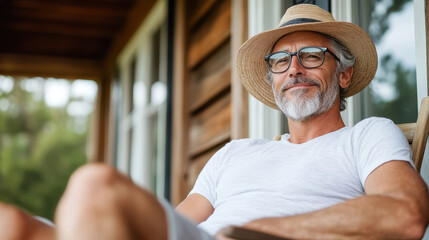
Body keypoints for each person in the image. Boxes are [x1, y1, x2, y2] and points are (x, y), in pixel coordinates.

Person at [0, 3, 428, 240]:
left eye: (311, 56)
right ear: (273, 79)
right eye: (280, 60)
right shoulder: (237, 152)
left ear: (345, 74)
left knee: (96, 183)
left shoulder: (369, 135)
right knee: (12, 224)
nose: (294, 68)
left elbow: (405, 213)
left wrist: (255, 231)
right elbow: (179, 220)